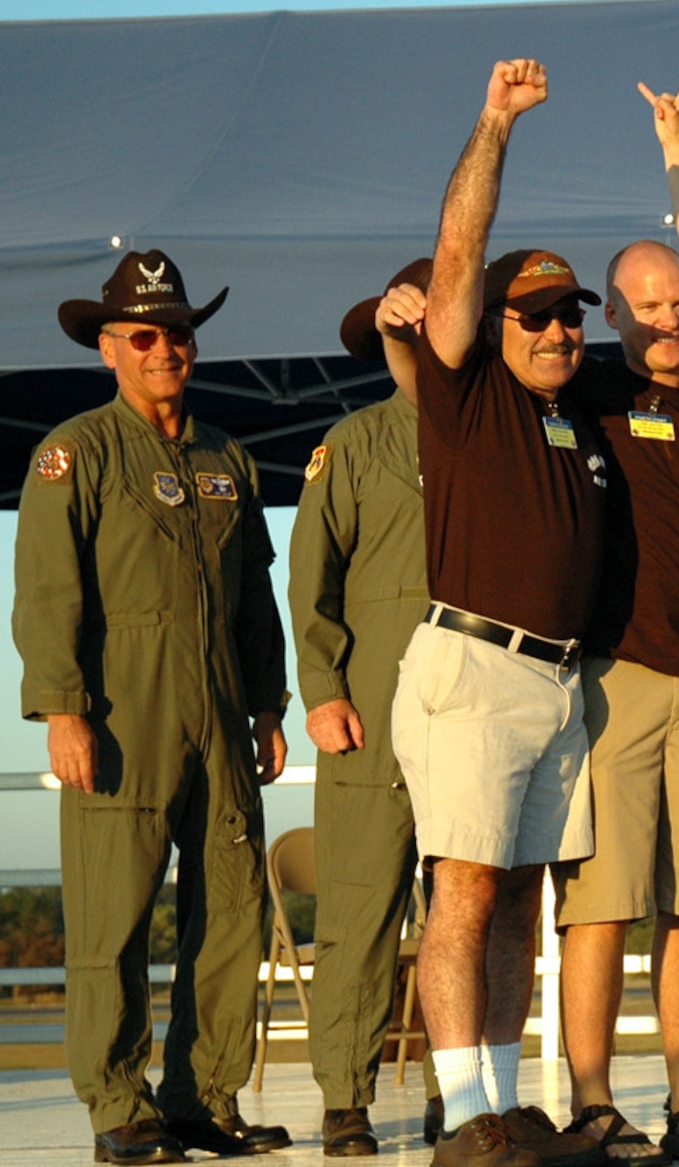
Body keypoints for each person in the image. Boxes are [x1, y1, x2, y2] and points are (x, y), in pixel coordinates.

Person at [16, 249, 292, 1163]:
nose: (166, 347)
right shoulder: (74, 451)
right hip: (120, 713)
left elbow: (256, 592)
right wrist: (63, 708)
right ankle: (117, 1105)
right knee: (115, 919)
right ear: (109, 349)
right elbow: (49, 590)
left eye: (178, 331)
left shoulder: (229, 458)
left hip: (220, 713)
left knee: (232, 911)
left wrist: (266, 707)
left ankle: (201, 1098)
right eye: (145, 334)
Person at [392, 58, 610, 1167]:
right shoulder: (463, 384)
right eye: (533, 315)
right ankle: (460, 1115)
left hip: (558, 682)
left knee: (523, 900)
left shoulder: (578, 419)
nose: (556, 330)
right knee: (465, 891)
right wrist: (493, 125)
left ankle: (508, 1113)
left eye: (570, 316)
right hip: (472, 667)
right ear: (492, 323)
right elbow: (463, 248)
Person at [551, 62, 679, 1167]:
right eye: (650, 307)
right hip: (612, 679)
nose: (672, 320)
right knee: (602, 905)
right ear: (613, 315)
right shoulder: (585, 393)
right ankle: (592, 1100)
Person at [289, 259, 441, 1156]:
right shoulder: (351, 442)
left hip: (475, 711)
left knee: (466, 910)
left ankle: (453, 1087)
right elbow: (312, 581)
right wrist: (322, 691)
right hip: (370, 710)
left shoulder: (503, 437)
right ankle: (345, 1094)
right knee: (357, 908)